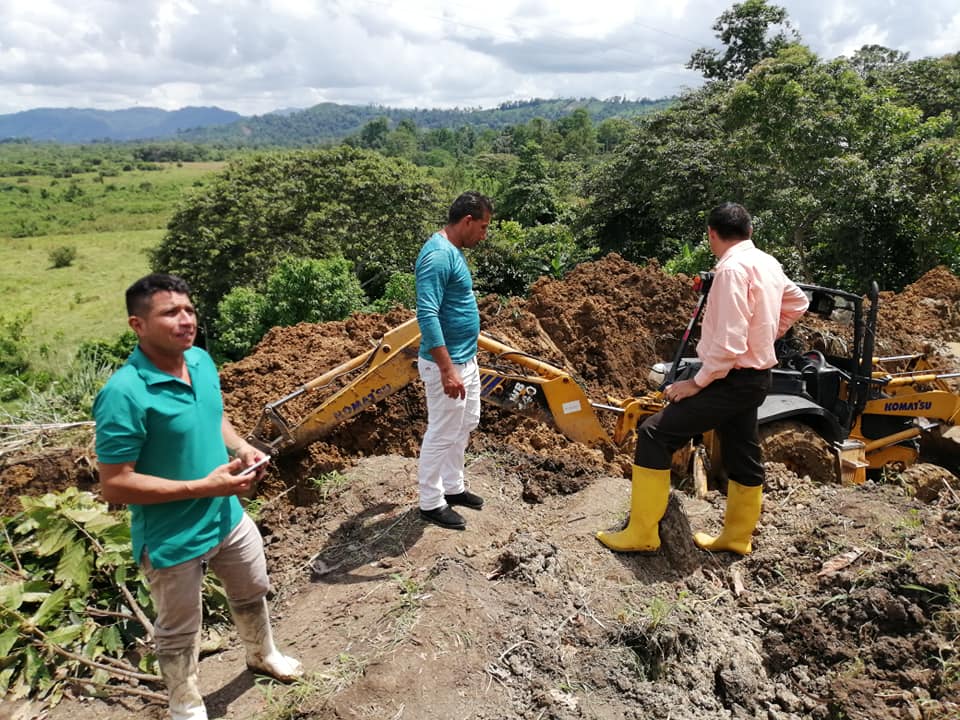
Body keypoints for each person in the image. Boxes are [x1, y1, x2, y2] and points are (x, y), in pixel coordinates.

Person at [93, 273, 302, 720]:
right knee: (179, 628)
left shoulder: (201, 362)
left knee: (252, 589)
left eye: (189, 309)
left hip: (226, 515)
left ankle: (262, 654)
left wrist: (241, 447)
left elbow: (213, 415)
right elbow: (115, 482)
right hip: (171, 536)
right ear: (137, 325)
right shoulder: (124, 393)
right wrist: (203, 487)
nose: (186, 319)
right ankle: (185, 703)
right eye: (170, 312)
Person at [597, 202, 809, 555]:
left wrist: (697, 382)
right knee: (742, 451)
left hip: (732, 379)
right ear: (750, 231)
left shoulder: (731, 270)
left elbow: (728, 344)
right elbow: (798, 303)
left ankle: (642, 533)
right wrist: (767, 334)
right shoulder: (767, 263)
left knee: (653, 434)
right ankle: (737, 537)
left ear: (712, 234)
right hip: (756, 378)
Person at [414, 191, 493, 530]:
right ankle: (430, 502)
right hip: (448, 365)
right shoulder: (437, 256)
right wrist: (447, 370)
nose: (484, 235)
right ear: (467, 221)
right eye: (483, 227)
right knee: (443, 431)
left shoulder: (453, 250)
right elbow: (427, 314)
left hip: (465, 358)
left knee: (466, 422)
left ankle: (453, 486)